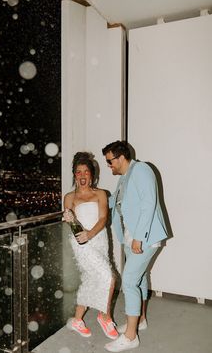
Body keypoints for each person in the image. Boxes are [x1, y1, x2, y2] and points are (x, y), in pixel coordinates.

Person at [102, 141, 167, 352]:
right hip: (131, 237)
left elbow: (149, 202)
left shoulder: (141, 170)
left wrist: (139, 237)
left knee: (129, 280)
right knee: (138, 278)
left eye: (110, 161)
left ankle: (131, 337)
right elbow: (115, 202)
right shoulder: (124, 177)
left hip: (144, 237)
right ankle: (140, 321)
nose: (109, 165)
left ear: (121, 157)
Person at [63, 151, 118, 340]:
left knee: (91, 279)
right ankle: (105, 315)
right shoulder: (69, 197)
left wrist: (91, 234)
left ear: (91, 174)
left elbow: (103, 218)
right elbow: (71, 222)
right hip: (81, 244)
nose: (83, 175)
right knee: (109, 277)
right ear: (74, 175)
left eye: (86, 171)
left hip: (100, 239)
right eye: (78, 172)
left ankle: (78, 320)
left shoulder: (101, 194)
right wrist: (71, 221)